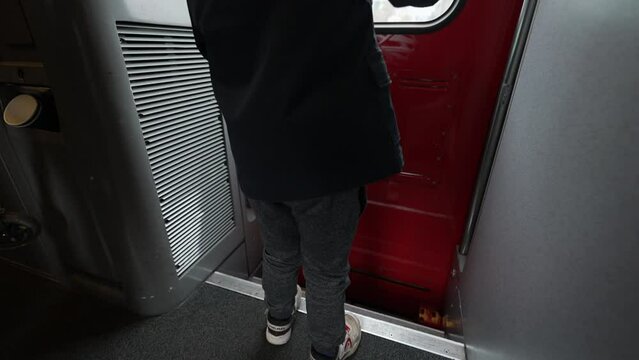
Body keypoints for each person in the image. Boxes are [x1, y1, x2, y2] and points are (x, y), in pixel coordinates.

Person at [186, 1, 430, 358]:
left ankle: (278, 324)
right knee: (325, 271)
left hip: (258, 148)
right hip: (323, 147)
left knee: (279, 251)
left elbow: (208, 44)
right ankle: (327, 348)